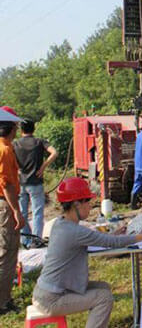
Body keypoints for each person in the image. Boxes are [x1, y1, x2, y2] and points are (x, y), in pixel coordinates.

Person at [32, 177, 142, 328]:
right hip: (51, 300)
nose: (90, 206)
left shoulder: (61, 224)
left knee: (103, 287)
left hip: (47, 292)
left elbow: (102, 240)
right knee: (103, 297)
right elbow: (110, 243)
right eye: (87, 201)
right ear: (76, 204)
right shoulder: (75, 231)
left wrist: (114, 235)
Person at [13, 119, 58, 248]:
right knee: (37, 212)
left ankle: (25, 241)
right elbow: (54, 153)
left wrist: (17, 170)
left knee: (22, 213)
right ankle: (36, 240)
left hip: (21, 183)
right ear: (34, 129)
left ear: (21, 130)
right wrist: (43, 166)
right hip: (36, 183)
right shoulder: (39, 142)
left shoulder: (15, 144)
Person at [0, 106, 25, 314]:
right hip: (4, 204)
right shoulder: (5, 149)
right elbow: (6, 184)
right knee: (7, 253)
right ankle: (3, 303)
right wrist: (16, 210)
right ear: (10, 127)